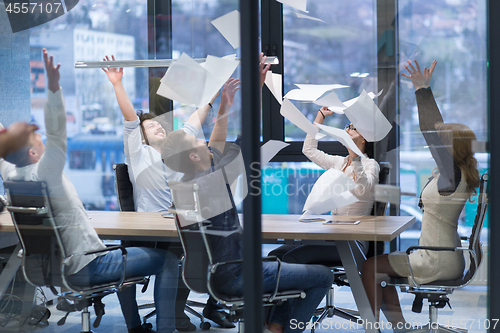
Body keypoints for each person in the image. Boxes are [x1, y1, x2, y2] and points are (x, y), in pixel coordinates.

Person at [0, 49, 179, 333]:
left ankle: (135, 327)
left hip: (53, 269)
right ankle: (162, 330)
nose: (43, 138)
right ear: (34, 152)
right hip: (87, 265)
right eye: (37, 137)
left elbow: (3, 146)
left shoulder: (11, 173)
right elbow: (58, 131)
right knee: (169, 260)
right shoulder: (47, 172)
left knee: (127, 250)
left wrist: (6, 135)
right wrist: (54, 87)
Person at [161, 56, 334, 333]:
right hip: (236, 274)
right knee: (323, 277)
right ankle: (285, 329)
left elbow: (217, 144)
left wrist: (226, 104)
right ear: (195, 155)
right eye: (199, 142)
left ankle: (275, 324)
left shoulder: (193, 180)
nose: (206, 143)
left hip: (213, 276)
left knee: (286, 259)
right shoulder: (213, 180)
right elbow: (245, 137)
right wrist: (255, 89)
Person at [102, 56, 238, 330]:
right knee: (151, 259)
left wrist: (216, 91)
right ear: (142, 138)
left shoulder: (180, 151)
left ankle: (185, 312)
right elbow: (130, 119)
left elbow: (195, 118)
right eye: (151, 126)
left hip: (179, 225)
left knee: (205, 247)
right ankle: (135, 325)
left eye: (160, 124)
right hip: (147, 229)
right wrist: (117, 84)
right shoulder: (139, 154)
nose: (159, 126)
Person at [361, 60, 480, 329]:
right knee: (378, 269)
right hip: (443, 255)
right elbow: (436, 130)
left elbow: (431, 131)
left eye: (442, 143)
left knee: (370, 267)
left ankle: (374, 328)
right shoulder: (454, 174)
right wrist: (423, 89)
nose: (434, 146)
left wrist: (422, 91)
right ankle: (398, 327)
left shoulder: (452, 175)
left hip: (435, 258)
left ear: (451, 149)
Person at [269, 107, 379, 264]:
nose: (348, 129)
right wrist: (320, 117)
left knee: (292, 257)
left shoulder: (371, 164)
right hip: (333, 235)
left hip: (352, 242)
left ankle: (310, 285)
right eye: (348, 126)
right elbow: (309, 150)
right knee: (277, 254)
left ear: (364, 139)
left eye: (353, 128)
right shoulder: (340, 162)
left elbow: (362, 188)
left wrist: (355, 157)